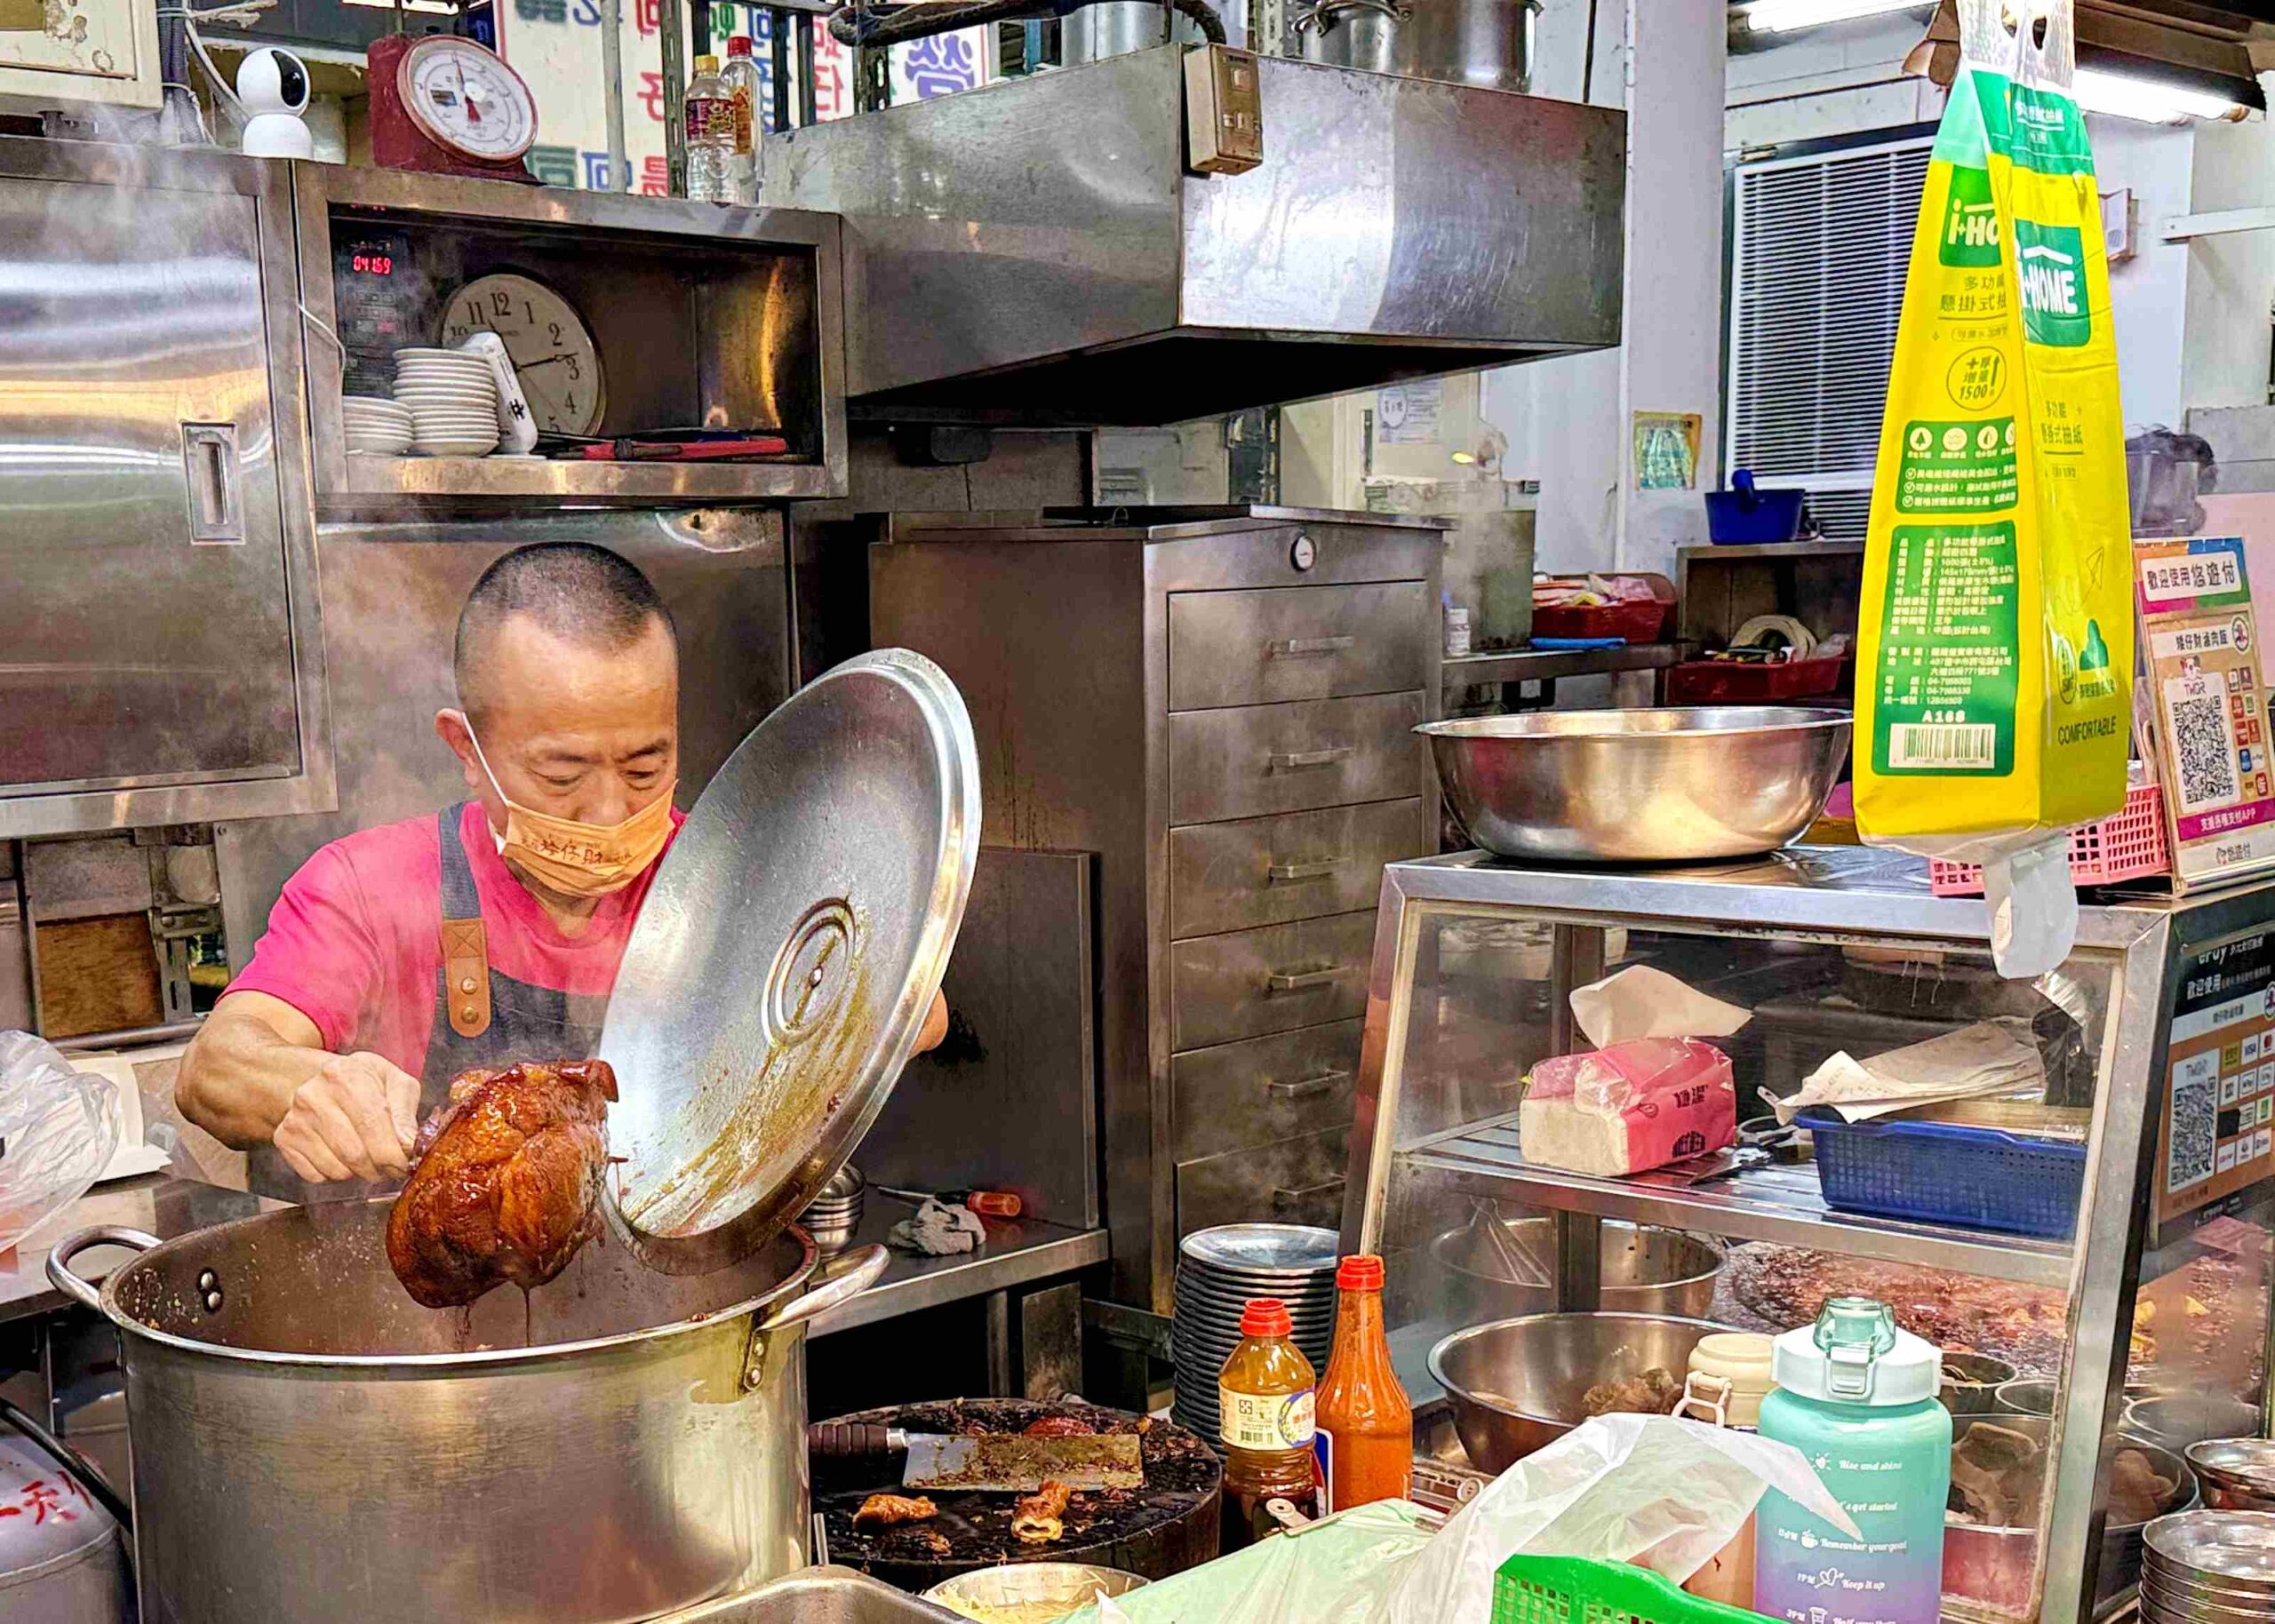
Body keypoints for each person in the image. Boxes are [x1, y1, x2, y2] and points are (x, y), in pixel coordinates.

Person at [177, 542, 946, 1198]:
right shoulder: (368, 886)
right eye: (562, 775)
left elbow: (920, 1007)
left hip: (678, 1318)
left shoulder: (722, 875)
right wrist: (303, 1086)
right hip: (424, 1350)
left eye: (646, 767)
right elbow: (215, 1067)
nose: (609, 813)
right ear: (468, 752)